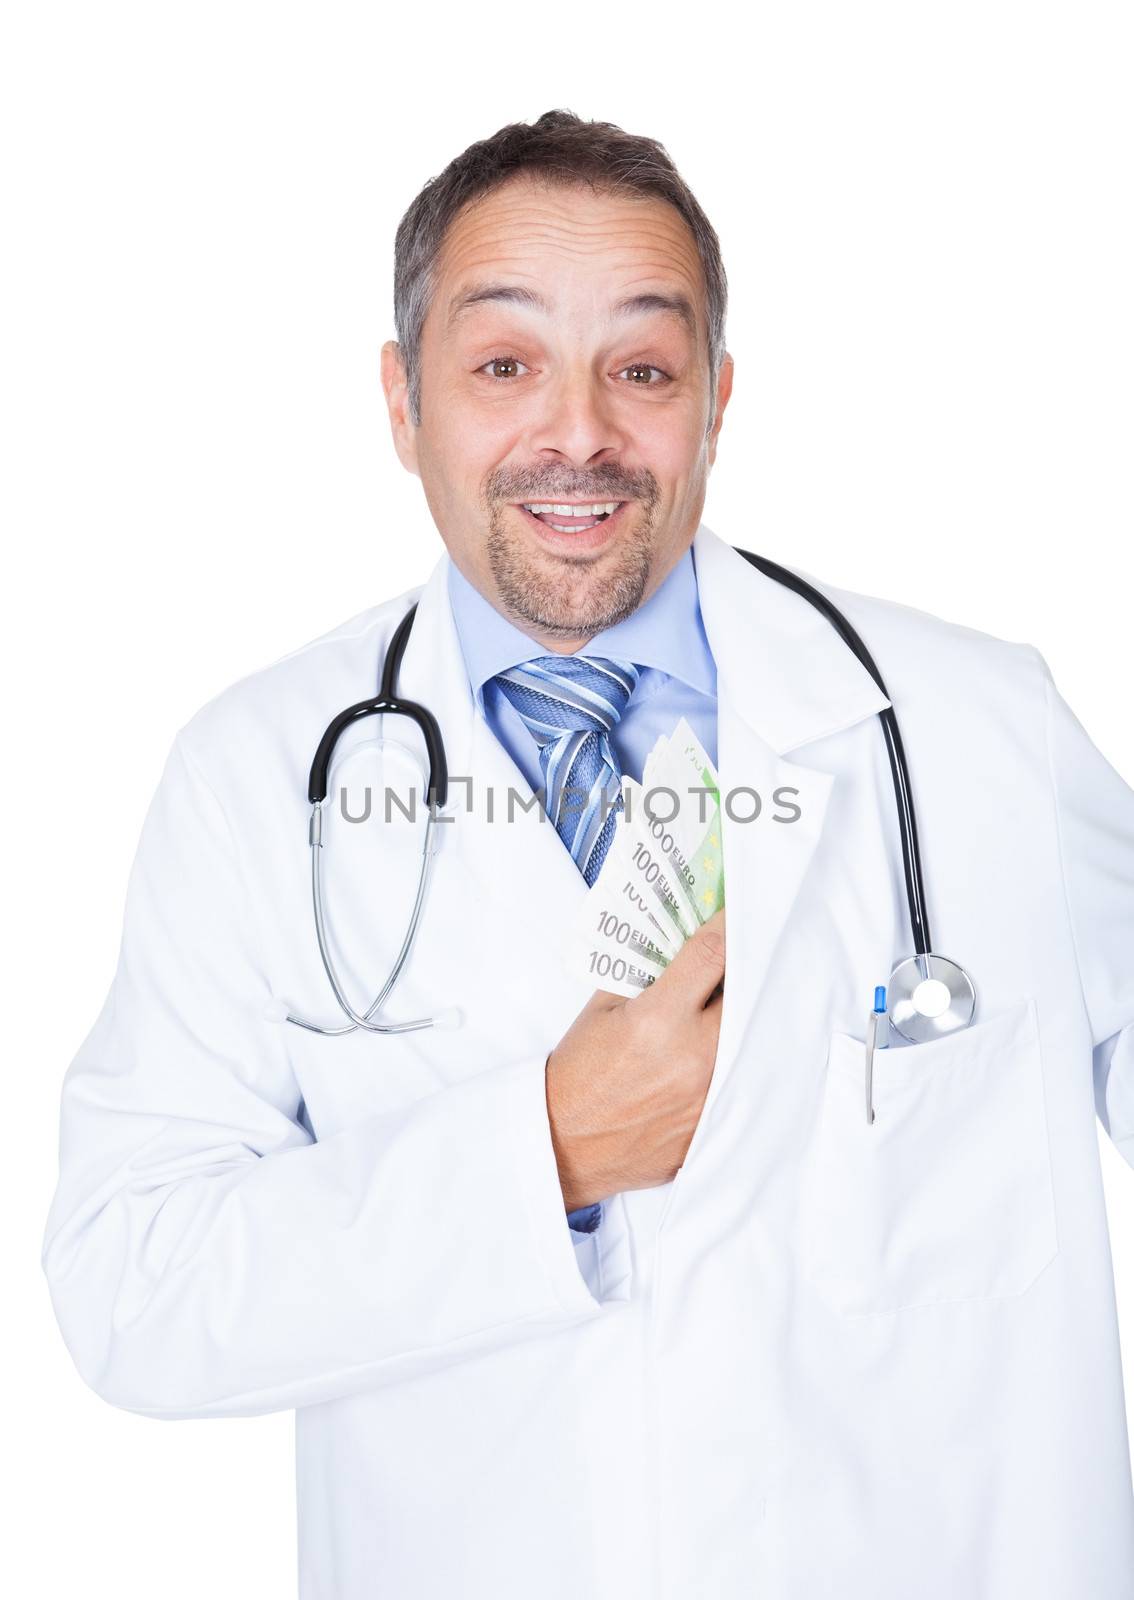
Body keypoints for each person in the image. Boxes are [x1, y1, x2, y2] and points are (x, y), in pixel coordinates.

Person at [42, 109, 1134, 1600]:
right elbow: (132, 1292)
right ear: (399, 398)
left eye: (641, 369)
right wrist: (538, 1151)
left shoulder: (973, 728)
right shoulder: (254, 779)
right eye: (503, 367)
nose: (579, 436)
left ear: (717, 399)